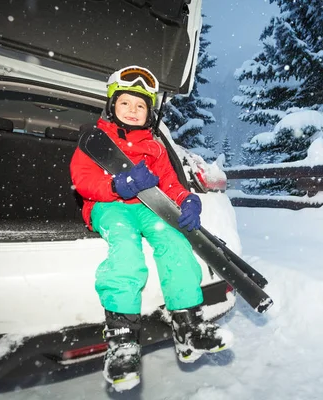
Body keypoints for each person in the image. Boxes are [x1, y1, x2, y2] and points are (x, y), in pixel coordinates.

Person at [70, 66, 232, 391]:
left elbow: (169, 183)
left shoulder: (155, 146)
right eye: (126, 103)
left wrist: (186, 199)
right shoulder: (96, 139)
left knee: (174, 242)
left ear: (150, 112)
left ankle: (188, 326)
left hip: (146, 208)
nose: (133, 110)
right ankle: (122, 340)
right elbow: (82, 179)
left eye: (141, 105)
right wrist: (118, 184)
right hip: (109, 206)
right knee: (127, 252)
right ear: (111, 105)